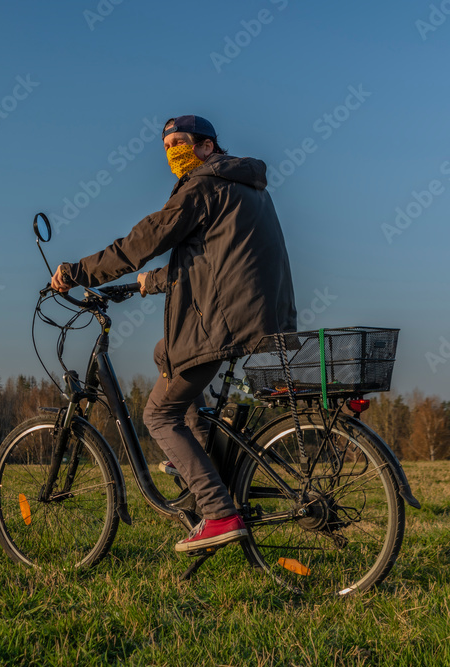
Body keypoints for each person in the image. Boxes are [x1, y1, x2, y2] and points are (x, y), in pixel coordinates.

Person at [50, 115, 296, 553]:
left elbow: (141, 242)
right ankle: (200, 458)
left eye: (179, 143)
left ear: (206, 146)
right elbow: (217, 261)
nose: (171, 152)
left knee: (158, 415)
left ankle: (219, 512)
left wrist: (78, 271)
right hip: (259, 314)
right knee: (166, 353)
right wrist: (152, 282)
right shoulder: (244, 186)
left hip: (224, 321)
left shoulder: (202, 184)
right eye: (165, 146)